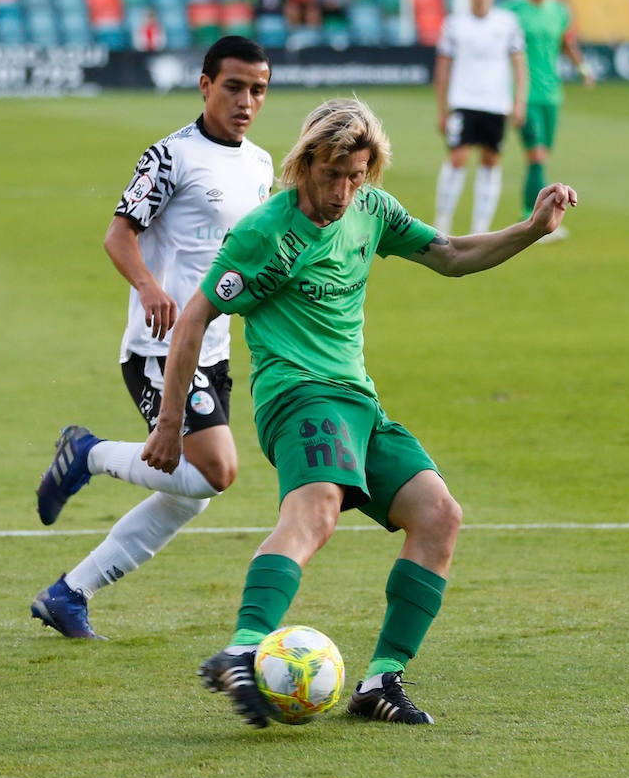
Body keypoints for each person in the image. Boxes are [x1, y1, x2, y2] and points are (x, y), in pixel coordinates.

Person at [142, 97, 578, 727]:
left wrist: (532, 229)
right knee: (316, 509)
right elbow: (194, 318)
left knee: (439, 516)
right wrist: (168, 425)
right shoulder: (265, 232)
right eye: (332, 175)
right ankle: (243, 648)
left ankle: (380, 681)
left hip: (359, 404)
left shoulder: (372, 209)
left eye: (356, 175)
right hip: (298, 398)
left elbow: (451, 254)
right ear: (305, 163)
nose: (343, 190)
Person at [29, 36, 275, 640]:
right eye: (234, 87)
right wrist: (148, 287)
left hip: (212, 350)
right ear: (205, 85)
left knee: (190, 495)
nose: (246, 101)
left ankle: (69, 594)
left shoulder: (262, 165)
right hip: (158, 347)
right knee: (216, 471)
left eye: (258, 90)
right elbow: (119, 235)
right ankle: (88, 452)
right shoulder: (171, 157)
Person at [504, 0, 593, 242]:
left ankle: (530, 218)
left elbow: (567, 43)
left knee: (541, 157)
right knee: (536, 155)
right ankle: (533, 220)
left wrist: (582, 69)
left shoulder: (560, 11)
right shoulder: (512, 10)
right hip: (522, 93)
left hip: (552, 95)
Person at [432, 0, 526, 235]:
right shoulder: (454, 24)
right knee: (457, 157)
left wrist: (519, 101)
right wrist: (442, 109)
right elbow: (442, 68)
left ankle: (480, 227)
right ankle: (442, 222)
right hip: (463, 100)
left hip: (496, 103)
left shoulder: (507, 22)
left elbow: (519, 64)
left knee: (490, 160)